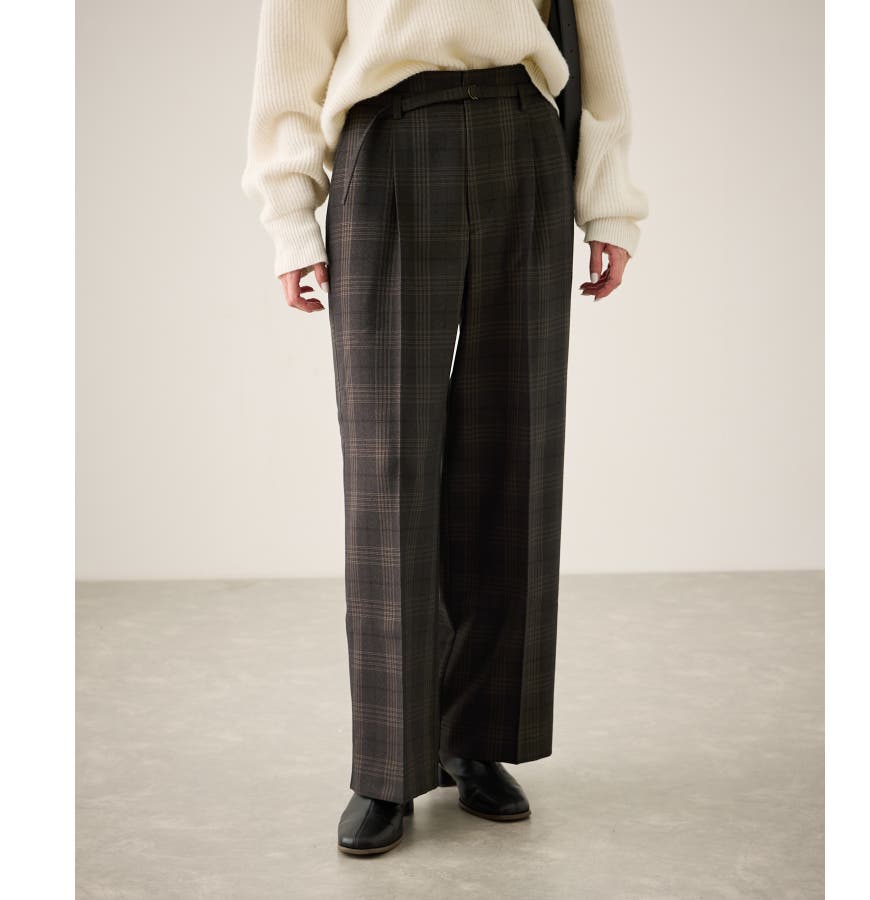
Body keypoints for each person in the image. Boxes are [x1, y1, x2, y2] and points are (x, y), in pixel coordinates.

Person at [241, 0, 648, 856]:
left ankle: (478, 738)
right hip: (390, 138)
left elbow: (592, 35)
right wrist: (290, 218)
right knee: (389, 469)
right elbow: (292, 53)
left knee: (514, 454)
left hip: (523, 138)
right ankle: (388, 765)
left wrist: (609, 201)